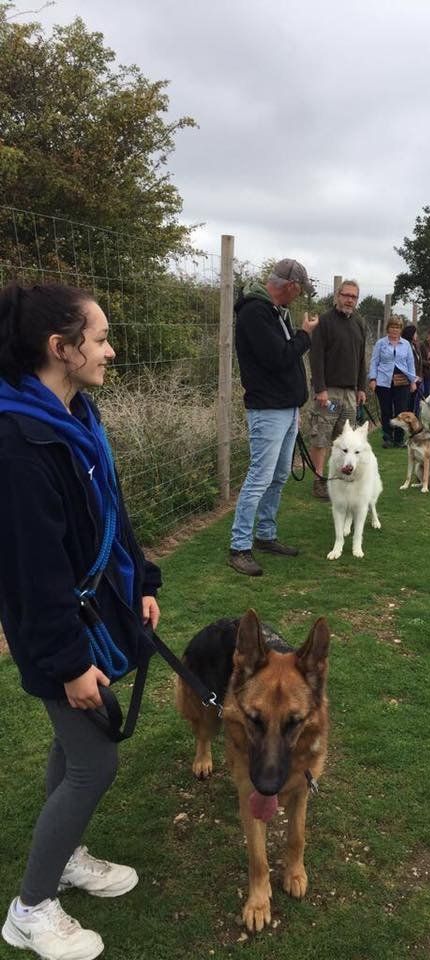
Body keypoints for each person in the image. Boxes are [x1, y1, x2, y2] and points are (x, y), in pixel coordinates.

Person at [0, 283, 162, 960]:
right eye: (98, 339)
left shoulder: (78, 413)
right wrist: (69, 664)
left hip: (91, 616)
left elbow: (109, 514)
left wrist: (143, 581)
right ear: (59, 349)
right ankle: (30, 909)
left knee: (74, 747)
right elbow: (32, 575)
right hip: (53, 633)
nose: (110, 350)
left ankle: (64, 858)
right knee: (95, 762)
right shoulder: (18, 443)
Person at [229, 259, 319, 577]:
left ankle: (265, 535)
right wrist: (304, 336)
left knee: (279, 476)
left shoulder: (274, 312)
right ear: (289, 285)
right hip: (268, 409)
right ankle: (239, 546)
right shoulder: (255, 312)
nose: (299, 296)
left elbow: (282, 356)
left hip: (286, 408)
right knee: (260, 477)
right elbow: (278, 358)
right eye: (299, 290)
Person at [308, 279, 367, 500]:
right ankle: (320, 480)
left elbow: (361, 359)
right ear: (338, 296)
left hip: (351, 393)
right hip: (328, 392)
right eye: (346, 295)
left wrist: (361, 387)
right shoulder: (324, 321)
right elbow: (316, 357)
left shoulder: (359, 323)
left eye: (354, 297)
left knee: (346, 440)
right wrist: (320, 388)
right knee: (321, 437)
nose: (349, 300)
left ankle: (341, 478)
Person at [368, 317, 420, 448]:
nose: (394, 330)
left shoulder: (406, 344)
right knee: (385, 411)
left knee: (401, 411)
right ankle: (387, 437)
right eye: (392, 327)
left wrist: (413, 381)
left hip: (402, 382)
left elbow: (410, 363)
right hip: (384, 381)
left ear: (401, 329)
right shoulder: (381, 343)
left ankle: (399, 438)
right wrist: (373, 379)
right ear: (387, 328)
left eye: (397, 327)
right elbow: (374, 362)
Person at [401, 323, 423, 414]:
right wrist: (412, 378)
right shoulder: (406, 346)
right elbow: (409, 364)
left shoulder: (415, 346)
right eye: (415, 333)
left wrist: (419, 376)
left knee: (413, 403)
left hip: (417, 378)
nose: (416, 335)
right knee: (407, 404)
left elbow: (418, 362)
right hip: (409, 380)